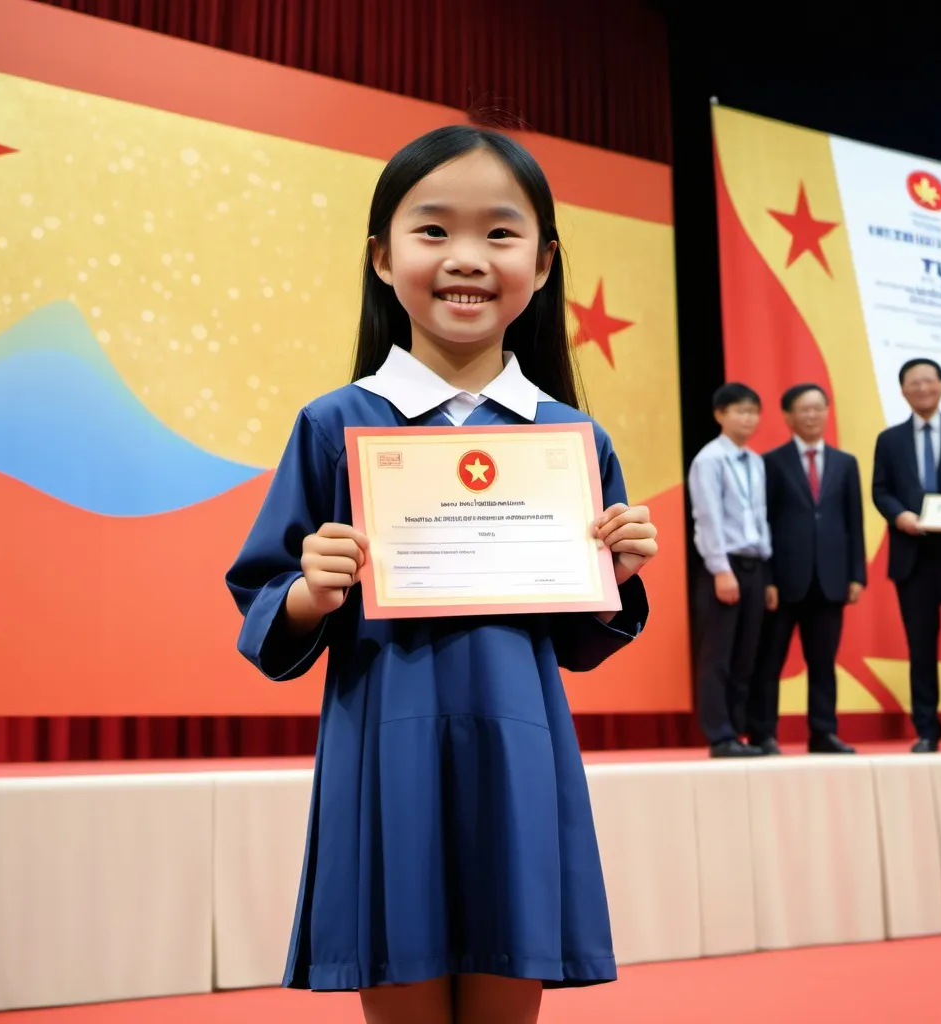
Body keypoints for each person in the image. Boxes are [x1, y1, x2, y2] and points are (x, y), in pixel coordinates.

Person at [225, 126, 658, 1024]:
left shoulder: (570, 439)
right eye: (433, 231)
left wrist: (615, 570)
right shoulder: (335, 423)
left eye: (501, 233)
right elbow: (267, 605)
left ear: (543, 265)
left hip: (519, 750)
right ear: (382, 258)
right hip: (387, 747)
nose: (467, 257)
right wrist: (313, 590)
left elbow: (581, 641)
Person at [748, 384, 865, 755]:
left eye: (818, 408)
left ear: (828, 412)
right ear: (787, 416)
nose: (812, 415)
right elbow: (761, 522)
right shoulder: (770, 462)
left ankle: (823, 733)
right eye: (804, 409)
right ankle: (763, 733)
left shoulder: (846, 463)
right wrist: (766, 578)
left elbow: (854, 522)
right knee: (770, 661)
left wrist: (856, 575)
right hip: (783, 580)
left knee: (823, 661)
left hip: (831, 580)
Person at [688, 382, 771, 757]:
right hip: (724, 564)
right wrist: (721, 569)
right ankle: (719, 735)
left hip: (756, 565)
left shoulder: (756, 461)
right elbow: (708, 518)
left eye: (753, 411)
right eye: (740, 410)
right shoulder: (709, 459)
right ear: (719, 414)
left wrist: (767, 572)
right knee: (718, 655)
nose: (747, 418)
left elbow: (761, 518)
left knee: (746, 654)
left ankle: (739, 731)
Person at [873, 357, 941, 753]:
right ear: (902, 390)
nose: (922, 389)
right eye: (913, 383)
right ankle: (927, 730)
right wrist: (899, 514)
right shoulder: (890, 440)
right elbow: (880, 490)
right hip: (912, 558)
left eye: (928, 381)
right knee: (921, 648)